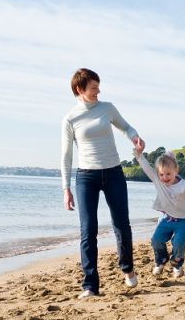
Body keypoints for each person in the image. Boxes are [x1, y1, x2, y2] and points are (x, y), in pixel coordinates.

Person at [62, 68, 144, 299]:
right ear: (80, 89)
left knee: (121, 224)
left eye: (98, 87)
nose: (98, 91)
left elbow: (127, 127)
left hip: (114, 173)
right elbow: (66, 155)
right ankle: (90, 285)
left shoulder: (107, 108)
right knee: (88, 231)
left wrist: (135, 138)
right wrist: (65, 188)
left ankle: (127, 268)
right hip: (86, 177)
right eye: (94, 88)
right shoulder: (70, 118)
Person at [133, 143, 185, 279]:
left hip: (184, 221)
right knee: (156, 240)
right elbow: (146, 167)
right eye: (161, 174)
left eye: (168, 174)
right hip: (167, 219)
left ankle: (177, 265)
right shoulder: (158, 181)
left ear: (176, 170)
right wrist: (138, 154)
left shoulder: (184, 185)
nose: (164, 177)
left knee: (178, 243)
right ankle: (161, 261)